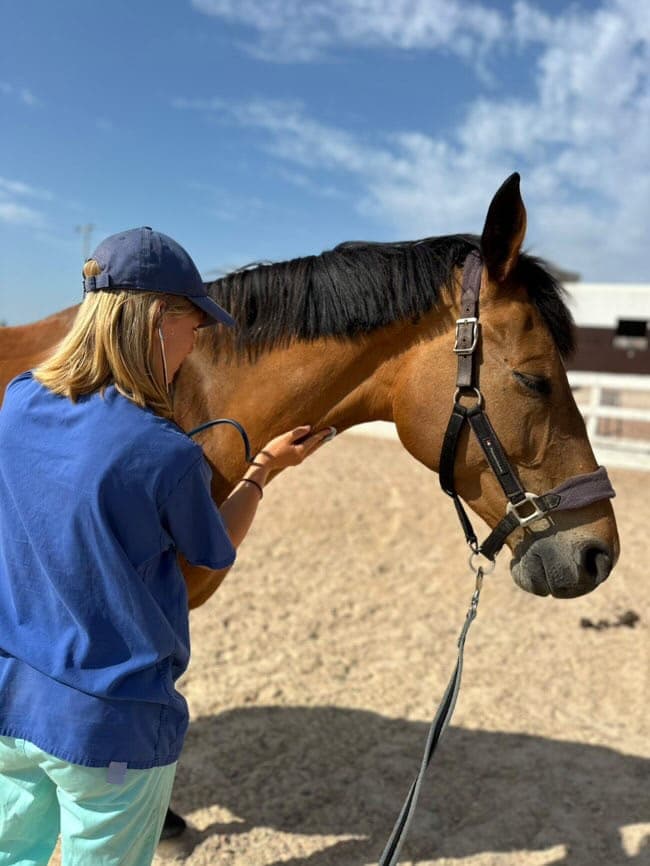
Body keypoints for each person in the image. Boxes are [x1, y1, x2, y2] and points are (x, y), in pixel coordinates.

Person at [0, 227, 333, 865]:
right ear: (157, 320)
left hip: (13, 703)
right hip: (110, 727)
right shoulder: (165, 453)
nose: (194, 342)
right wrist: (263, 470)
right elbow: (212, 549)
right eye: (191, 326)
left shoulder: (17, 401)